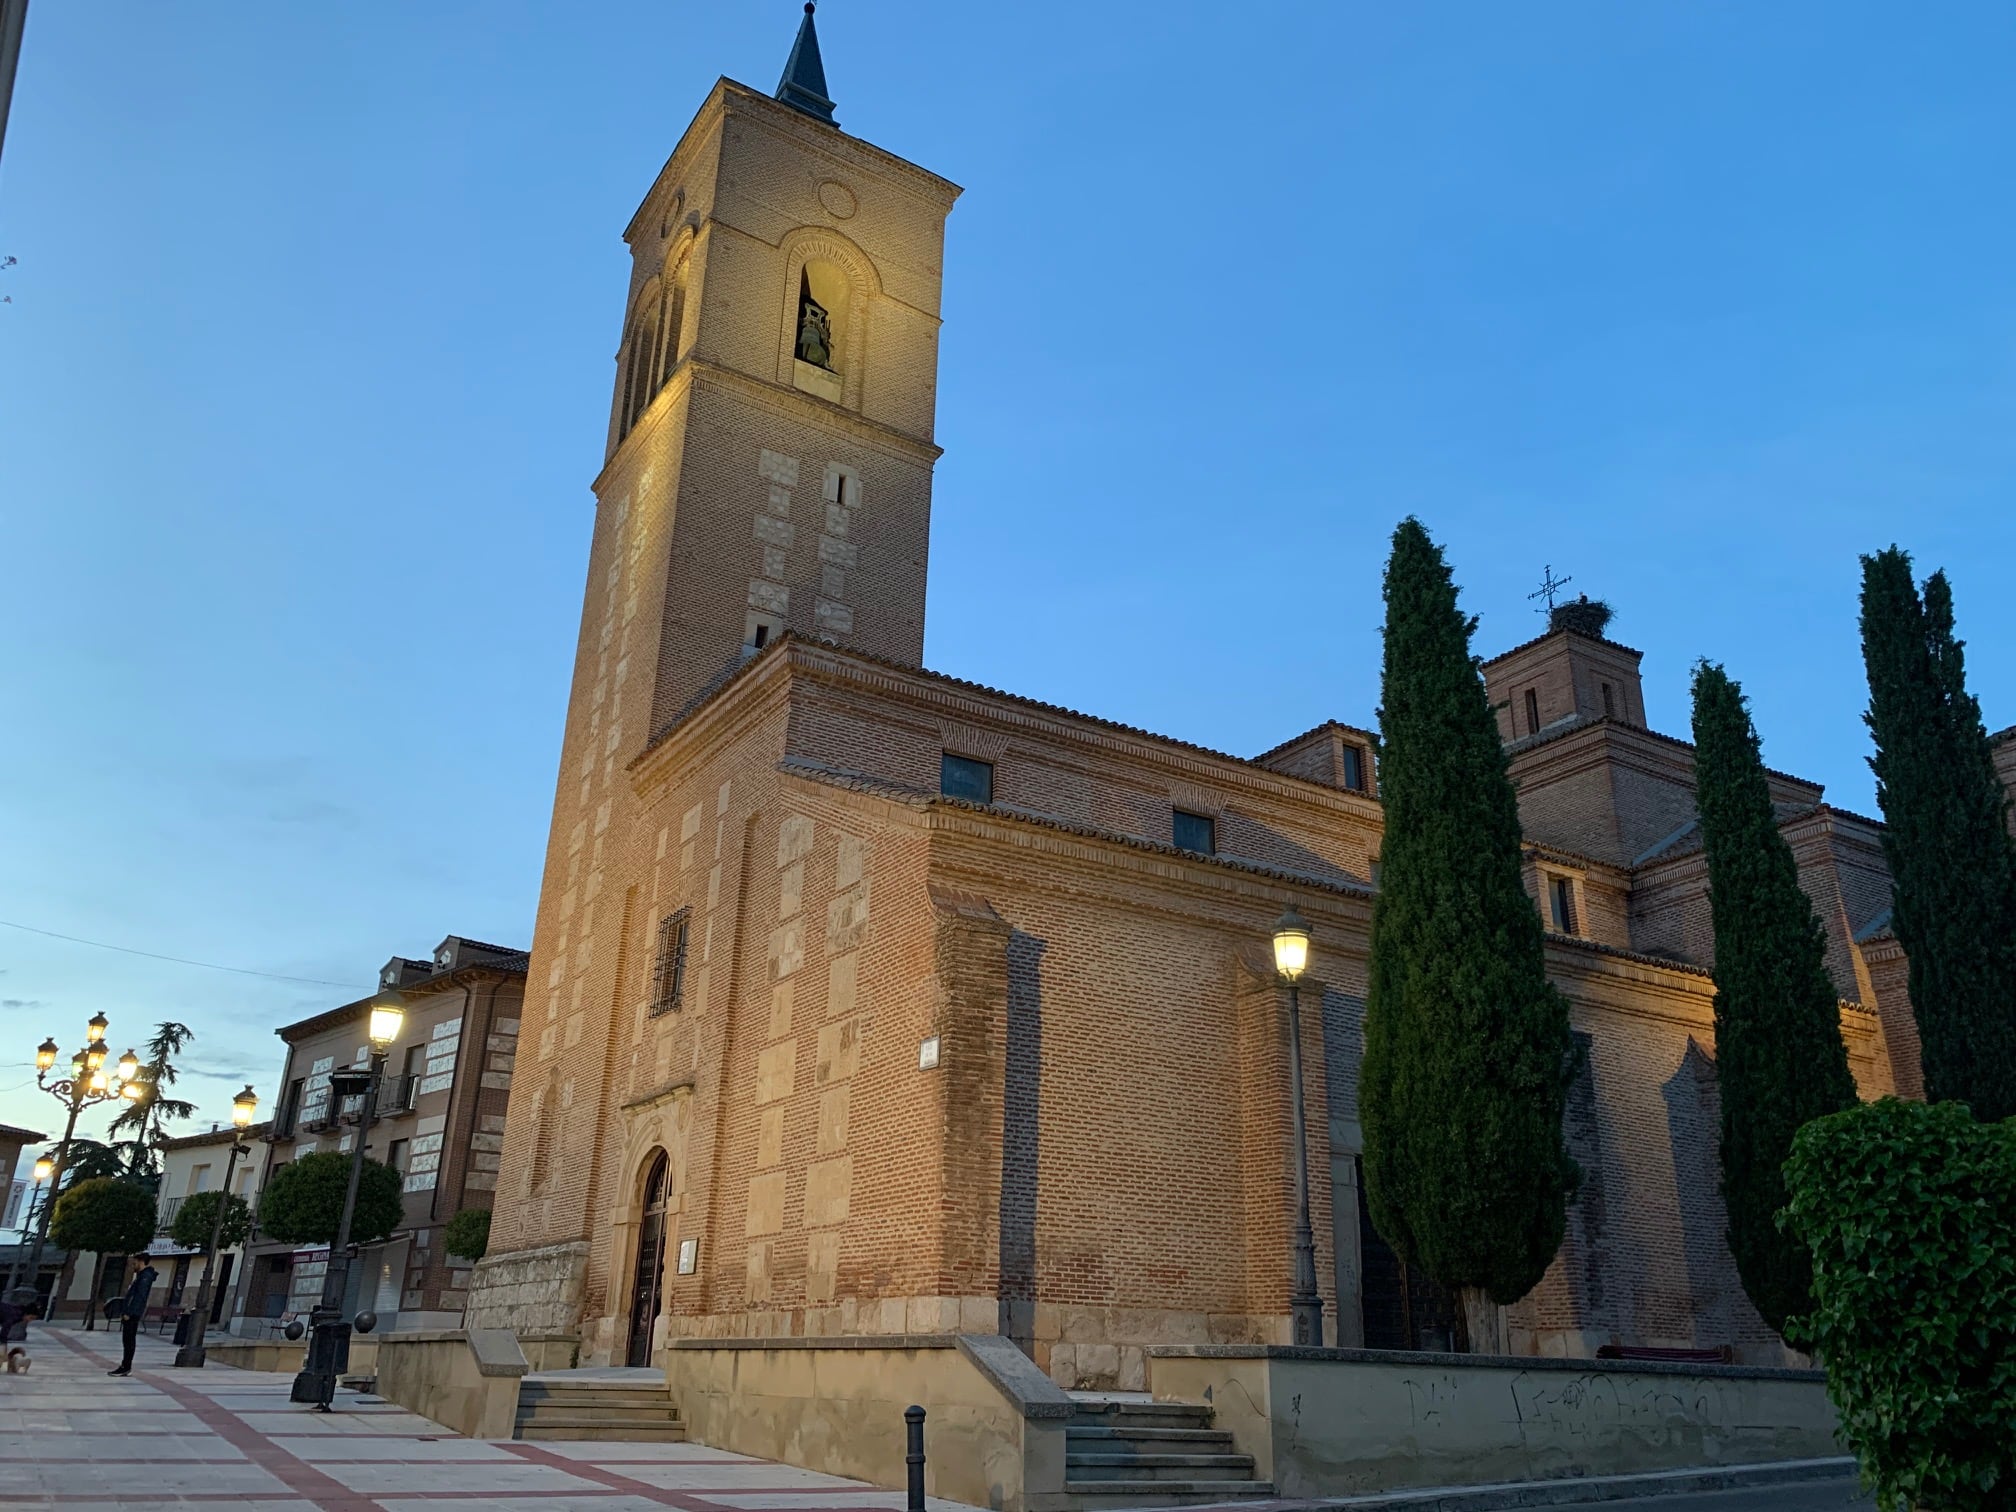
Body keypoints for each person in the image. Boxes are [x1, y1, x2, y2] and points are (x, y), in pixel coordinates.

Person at [108, 1256, 158, 1377]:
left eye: (134, 1263)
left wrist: (129, 1313)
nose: (132, 1266)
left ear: (141, 1262)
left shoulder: (145, 1277)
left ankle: (126, 1367)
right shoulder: (142, 1276)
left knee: (129, 1340)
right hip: (131, 1312)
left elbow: (139, 1297)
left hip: (132, 1314)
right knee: (127, 1340)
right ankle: (125, 1366)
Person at [0, 1290, 37, 1375]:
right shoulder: (15, 1314)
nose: (29, 1320)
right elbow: (5, 1328)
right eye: (30, 1317)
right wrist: (3, 1343)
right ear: (27, 1314)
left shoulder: (18, 1314)